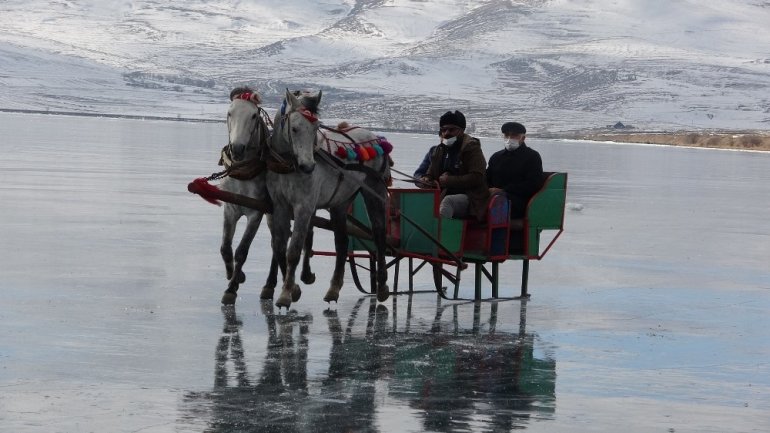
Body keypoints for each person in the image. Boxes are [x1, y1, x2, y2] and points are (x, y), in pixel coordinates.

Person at [419, 110, 490, 220]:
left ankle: (440, 235)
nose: (446, 133)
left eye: (451, 129)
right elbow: (431, 173)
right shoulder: (439, 150)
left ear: (461, 130)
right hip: (443, 193)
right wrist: (426, 179)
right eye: (443, 130)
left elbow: (477, 177)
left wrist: (449, 180)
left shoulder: (472, 148)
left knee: (448, 202)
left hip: (471, 197)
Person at [486, 122, 544, 218]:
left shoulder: (532, 156)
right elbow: (487, 178)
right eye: (506, 135)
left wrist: (504, 190)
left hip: (519, 201)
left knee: (496, 199)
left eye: (514, 135)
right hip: (494, 196)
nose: (510, 138)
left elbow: (534, 184)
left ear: (523, 138)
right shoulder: (496, 157)